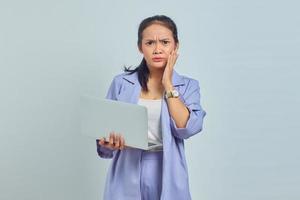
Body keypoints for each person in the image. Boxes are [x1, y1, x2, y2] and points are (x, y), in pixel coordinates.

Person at [96, 15, 206, 200]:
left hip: (167, 168)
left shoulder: (188, 86)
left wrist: (168, 85)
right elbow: (104, 141)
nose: (157, 49)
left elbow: (187, 128)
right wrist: (107, 144)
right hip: (126, 168)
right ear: (140, 47)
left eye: (164, 42)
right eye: (149, 43)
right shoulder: (121, 83)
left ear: (175, 46)